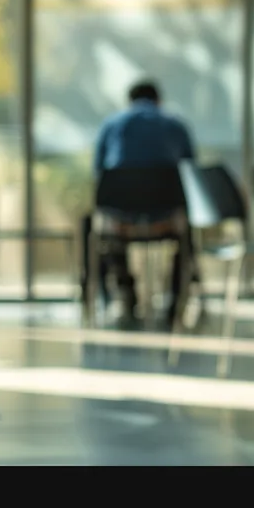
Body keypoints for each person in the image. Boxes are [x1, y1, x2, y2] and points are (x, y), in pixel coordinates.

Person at [88, 81, 198, 326]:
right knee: (187, 232)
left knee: (96, 228)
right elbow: (190, 171)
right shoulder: (175, 124)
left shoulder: (112, 124)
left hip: (120, 219)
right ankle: (175, 300)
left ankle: (122, 290)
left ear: (129, 101)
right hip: (166, 218)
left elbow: (98, 172)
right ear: (159, 101)